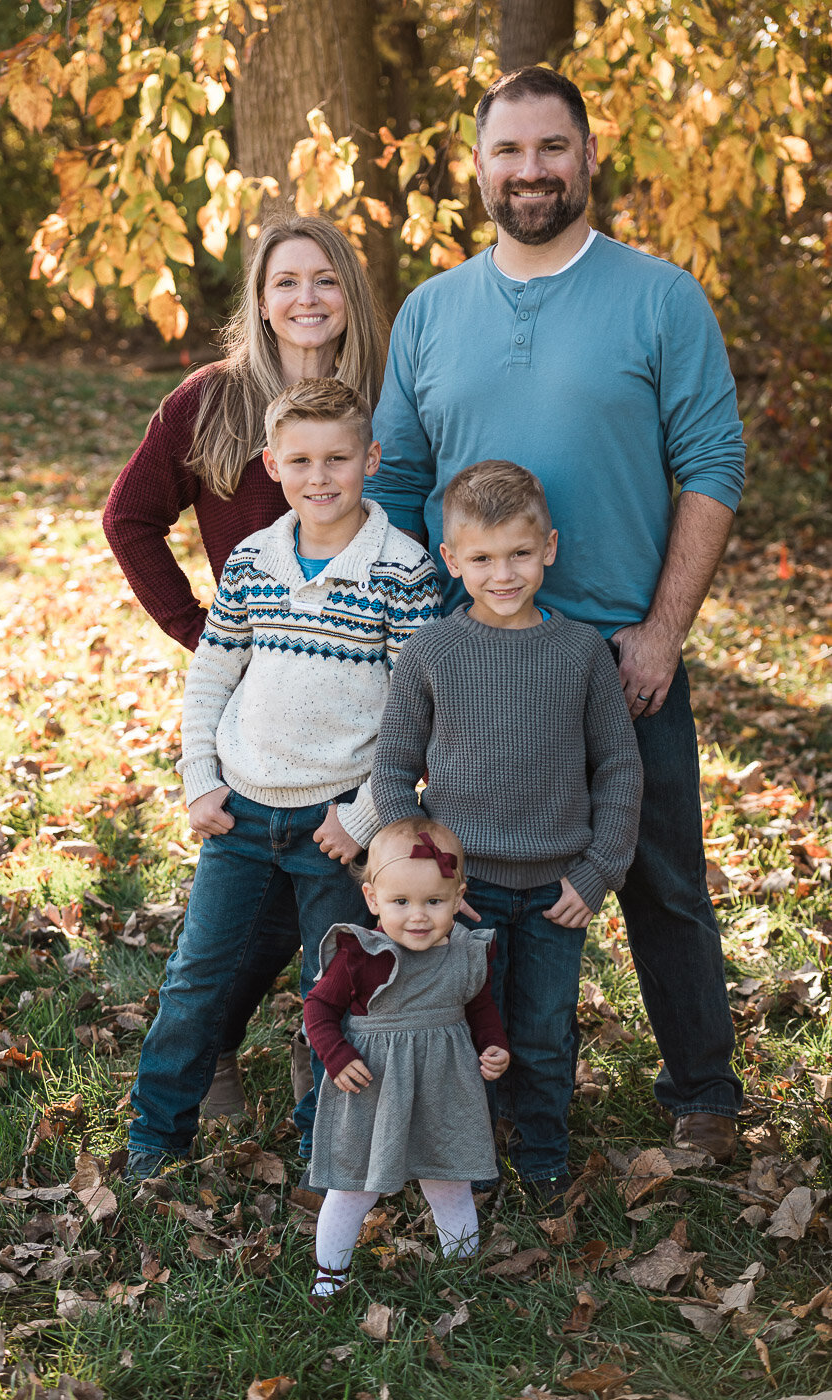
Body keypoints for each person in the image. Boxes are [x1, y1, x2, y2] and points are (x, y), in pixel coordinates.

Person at [368, 66, 746, 1166]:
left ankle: (704, 1093)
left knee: (663, 879)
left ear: (587, 156)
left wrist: (663, 630)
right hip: (475, 661)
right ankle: (484, 1091)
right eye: (508, 150)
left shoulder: (659, 297)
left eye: (550, 147)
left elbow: (713, 466)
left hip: (622, 658)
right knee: (466, 882)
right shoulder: (432, 310)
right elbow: (398, 486)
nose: (529, 169)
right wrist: (413, 637)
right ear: (477, 166)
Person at [104, 214, 387, 1124]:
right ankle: (215, 1045)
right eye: (285, 282)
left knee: (340, 889)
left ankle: (320, 1043)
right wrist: (202, 633)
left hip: (363, 705)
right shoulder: (212, 400)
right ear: (260, 302)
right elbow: (128, 519)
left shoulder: (390, 397)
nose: (307, 298)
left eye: (325, 279)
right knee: (247, 892)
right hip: (255, 710)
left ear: (351, 294)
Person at [123, 379, 442, 1181]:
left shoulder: (402, 569)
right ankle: (155, 1140)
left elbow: (417, 711)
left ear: (371, 459)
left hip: (335, 824)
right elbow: (212, 674)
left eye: (338, 458)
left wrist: (364, 816)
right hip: (240, 810)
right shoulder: (253, 559)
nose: (319, 476)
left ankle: (322, 1151)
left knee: (333, 990)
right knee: (196, 978)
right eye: (299, 461)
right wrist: (199, 776)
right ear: (271, 465)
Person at [371, 461, 643, 1212]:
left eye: (519, 554)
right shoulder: (431, 650)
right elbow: (392, 771)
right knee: (466, 1029)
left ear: (548, 548)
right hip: (465, 894)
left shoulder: (582, 651)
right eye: (482, 558)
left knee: (545, 1031)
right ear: (451, 560)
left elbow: (619, 766)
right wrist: (427, 877)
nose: (502, 574)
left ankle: (544, 1153)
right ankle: (473, 1157)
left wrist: (598, 871)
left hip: (558, 888)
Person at [303, 817, 509, 1306]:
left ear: (458, 898)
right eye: (401, 902)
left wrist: (493, 1045)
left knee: (450, 1180)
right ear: (373, 899)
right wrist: (336, 1055)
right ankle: (330, 1274)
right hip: (373, 1085)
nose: (418, 916)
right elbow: (318, 1008)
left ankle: (461, 1273)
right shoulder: (361, 954)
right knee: (353, 1186)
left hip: (444, 1086)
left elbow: (480, 1008)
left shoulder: (466, 953)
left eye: (434, 902)